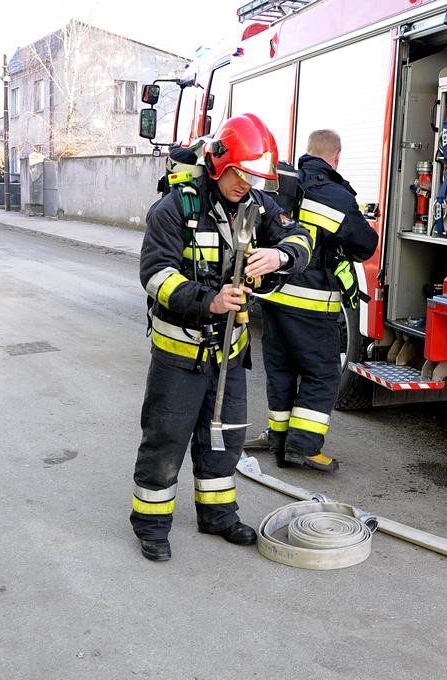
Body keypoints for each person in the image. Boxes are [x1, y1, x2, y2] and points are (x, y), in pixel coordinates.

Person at [131, 113, 311, 562]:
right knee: (166, 439)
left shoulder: (259, 206)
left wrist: (279, 254)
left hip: (228, 354)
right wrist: (206, 301)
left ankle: (217, 515)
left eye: (254, 177)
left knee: (225, 437)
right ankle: (151, 525)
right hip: (179, 355)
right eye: (239, 173)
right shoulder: (175, 208)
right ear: (219, 163)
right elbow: (155, 276)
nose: (245, 184)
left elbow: (302, 241)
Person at [258, 129, 379, 473]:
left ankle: (280, 439)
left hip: (272, 295)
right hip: (311, 303)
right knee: (322, 373)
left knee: (281, 369)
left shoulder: (282, 186)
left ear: (307, 152)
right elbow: (365, 245)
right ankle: (304, 446)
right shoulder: (335, 195)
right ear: (336, 157)